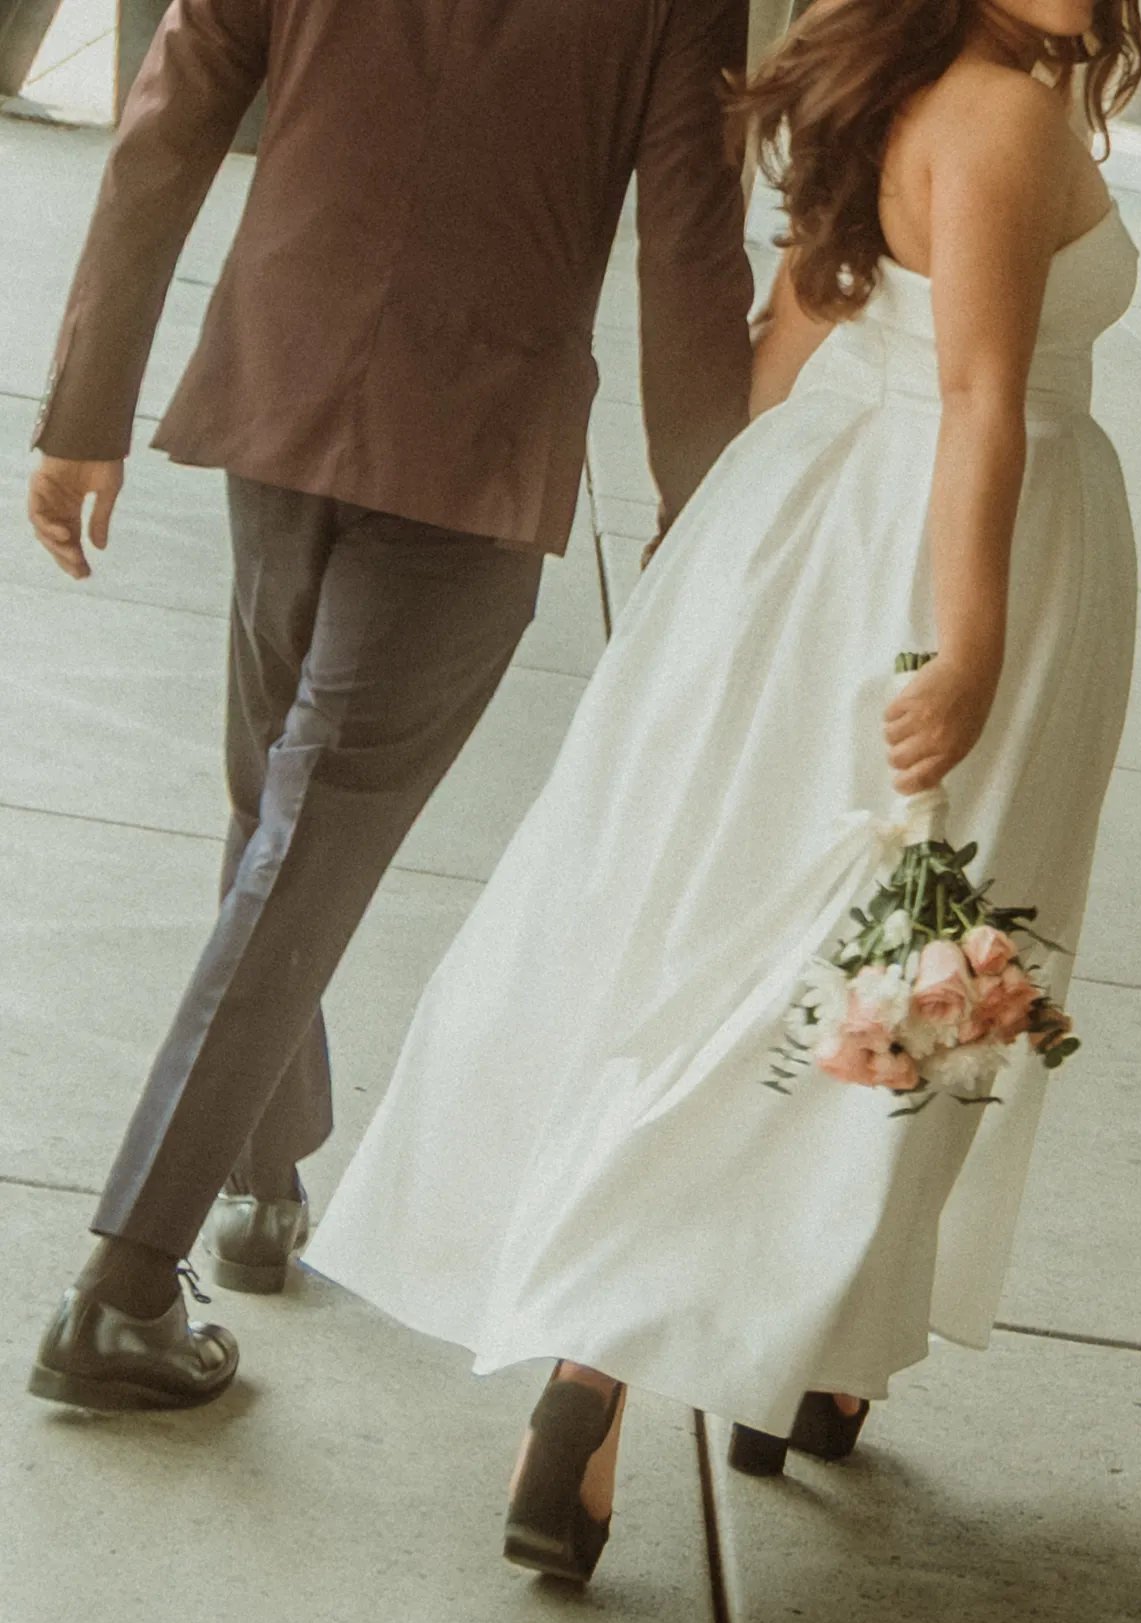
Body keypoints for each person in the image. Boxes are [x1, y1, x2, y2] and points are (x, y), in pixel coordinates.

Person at [302, 0, 1141, 1583]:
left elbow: (790, 328)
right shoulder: (997, 116)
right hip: (961, 550)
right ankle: (692, 1336)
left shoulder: (878, 72)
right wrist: (964, 651)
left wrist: (725, 568)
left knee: (776, 929)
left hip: (813, 520)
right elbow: (978, 399)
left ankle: (753, 1358)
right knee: (920, 953)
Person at [25, 0, 755, 1414]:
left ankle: (261, 1166)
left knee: (276, 818)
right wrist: (704, 504)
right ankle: (122, 1282)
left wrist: (87, 406)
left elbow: (167, 125)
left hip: (279, 388)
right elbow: (689, 242)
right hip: (472, 440)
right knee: (301, 834)